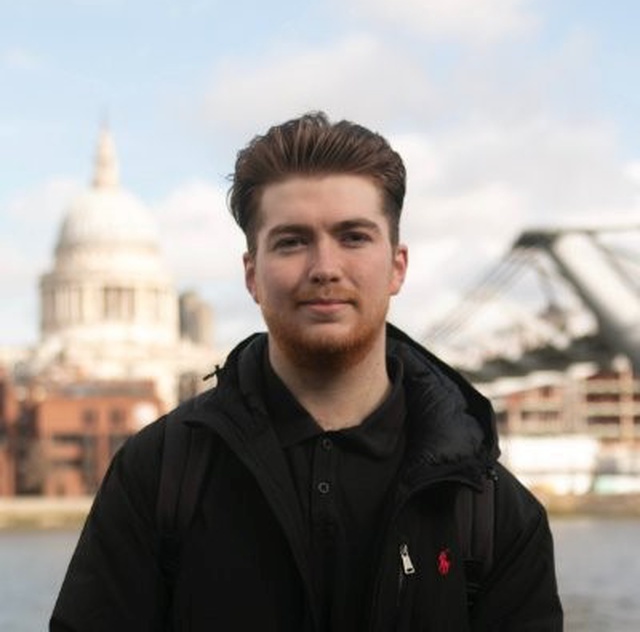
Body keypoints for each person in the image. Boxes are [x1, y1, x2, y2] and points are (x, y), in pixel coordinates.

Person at [50, 112, 563, 631]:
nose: (324, 267)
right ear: (251, 274)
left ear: (398, 267)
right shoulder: (157, 475)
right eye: (292, 240)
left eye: (354, 237)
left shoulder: (495, 514)